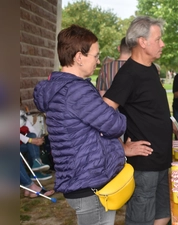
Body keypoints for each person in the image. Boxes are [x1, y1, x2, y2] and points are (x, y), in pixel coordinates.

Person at [33, 24, 127, 225]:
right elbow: (115, 126)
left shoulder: (60, 88)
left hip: (78, 177)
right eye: (96, 55)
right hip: (89, 183)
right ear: (79, 57)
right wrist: (110, 105)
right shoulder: (77, 91)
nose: (99, 61)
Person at [103, 16, 178, 225]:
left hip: (162, 159)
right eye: (158, 39)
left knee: (163, 215)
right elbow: (104, 114)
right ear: (142, 42)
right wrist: (121, 147)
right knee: (141, 219)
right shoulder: (129, 75)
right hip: (144, 165)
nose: (163, 44)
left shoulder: (151, 69)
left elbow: (158, 112)